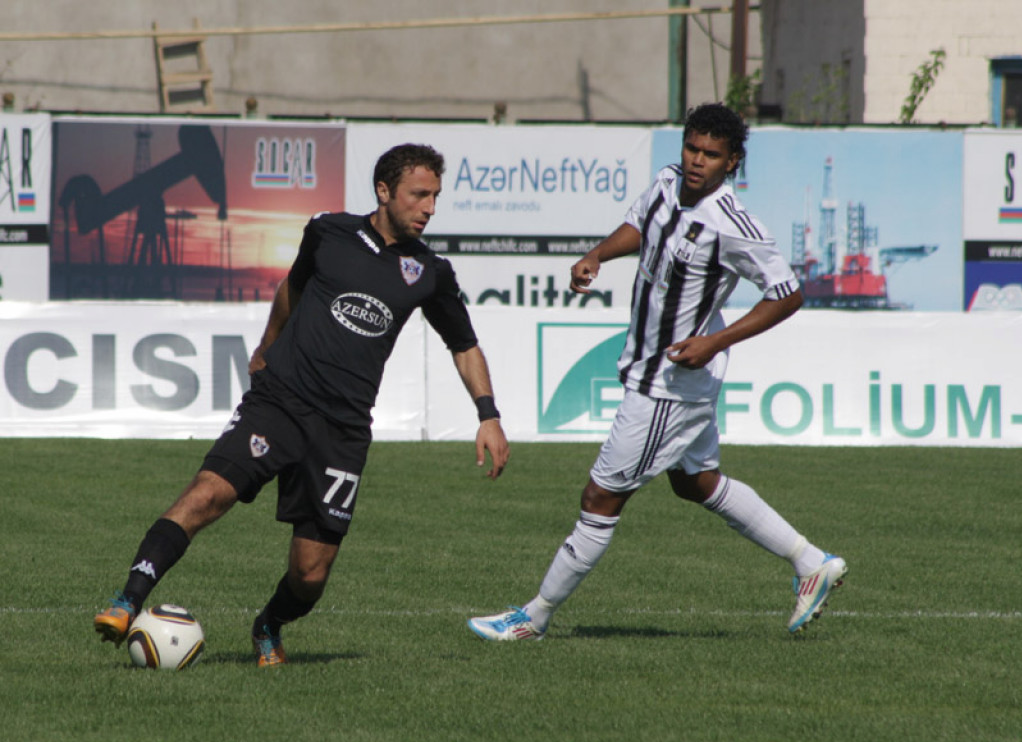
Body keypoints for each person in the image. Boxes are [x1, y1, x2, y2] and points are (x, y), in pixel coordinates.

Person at [95, 143, 510, 666]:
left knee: (310, 574)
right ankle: (127, 600)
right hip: (281, 401)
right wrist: (266, 347)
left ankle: (269, 624)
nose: (429, 208)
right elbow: (292, 289)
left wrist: (488, 415)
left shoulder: (430, 271)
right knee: (207, 494)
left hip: (342, 430)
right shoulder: (327, 231)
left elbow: (464, 345)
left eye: (435, 197)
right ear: (384, 191)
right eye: (419, 195)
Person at [468, 103, 846, 641]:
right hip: (653, 369)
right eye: (692, 148)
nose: (697, 160)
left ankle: (533, 618)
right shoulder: (667, 183)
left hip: (670, 383)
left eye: (711, 154)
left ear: (731, 162)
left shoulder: (732, 224)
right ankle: (811, 562)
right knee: (696, 483)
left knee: (600, 498)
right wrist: (598, 255)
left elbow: (787, 294)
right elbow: (640, 227)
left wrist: (714, 341)